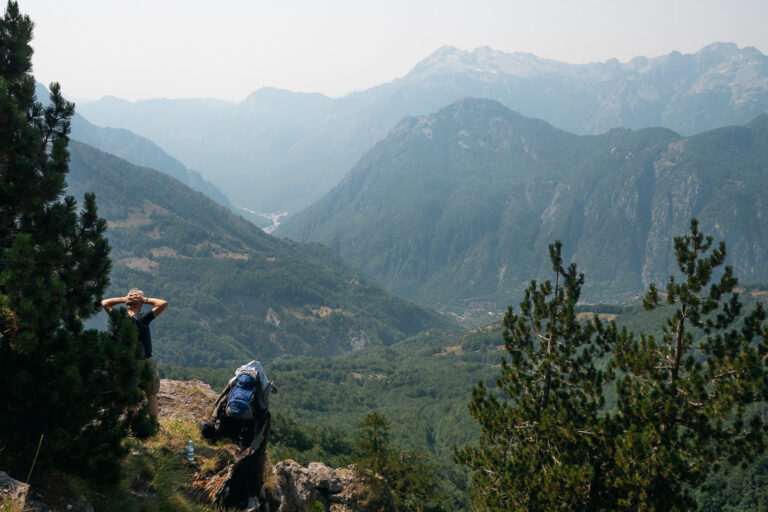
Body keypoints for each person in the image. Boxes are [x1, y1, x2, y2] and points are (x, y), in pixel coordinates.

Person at [102, 289, 168, 420]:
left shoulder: (120, 318)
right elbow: (163, 304)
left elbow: (105, 303)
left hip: (128, 362)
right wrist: (144, 300)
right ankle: (153, 425)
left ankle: (134, 424)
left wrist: (124, 299)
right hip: (146, 360)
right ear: (140, 304)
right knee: (152, 394)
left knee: (130, 394)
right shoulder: (143, 318)